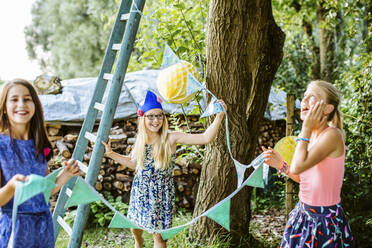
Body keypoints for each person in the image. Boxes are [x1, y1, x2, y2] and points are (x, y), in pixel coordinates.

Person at [102, 90, 226, 248]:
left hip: (161, 193)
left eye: (159, 115)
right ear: (143, 118)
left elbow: (205, 138)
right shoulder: (141, 140)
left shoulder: (171, 138)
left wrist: (219, 116)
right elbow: (134, 164)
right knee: (135, 225)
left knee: (159, 237)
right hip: (140, 189)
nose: (156, 120)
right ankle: (138, 241)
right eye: (151, 116)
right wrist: (111, 154)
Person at [262, 80, 353, 247]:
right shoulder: (310, 137)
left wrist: (305, 129)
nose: (304, 100)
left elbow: (298, 165)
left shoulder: (332, 136)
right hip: (302, 215)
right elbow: (303, 178)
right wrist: (281, 165)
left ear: (327, 109)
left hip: (324, 221)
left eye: (312, 97)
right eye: (304, 96)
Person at [0, 79, 80, 248]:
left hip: (43, 228)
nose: (21, 104)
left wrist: (65, 175)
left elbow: (44, 191)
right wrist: (12, 187)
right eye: (14, 99)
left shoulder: (41, 145)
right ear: (4, 108)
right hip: (14, 230)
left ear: (35, 104)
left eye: (27, 99)